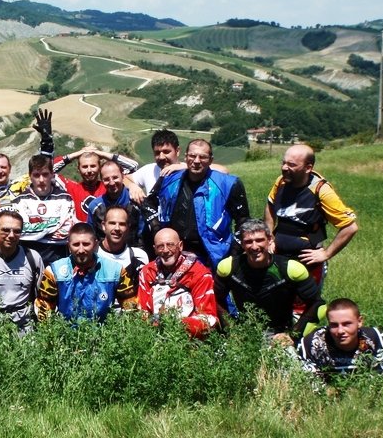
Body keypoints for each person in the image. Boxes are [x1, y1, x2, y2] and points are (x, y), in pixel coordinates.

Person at [143, 139, 249, 270]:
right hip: (174, 253)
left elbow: (243, 221)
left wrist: (234, 255)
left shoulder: (228, 183)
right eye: (192, 156)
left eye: (203, 157)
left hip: (213, 256)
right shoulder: (168, 179)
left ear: (211, 160)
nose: (197, 161)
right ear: (186, 157)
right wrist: (157, 229)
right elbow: (148, 203)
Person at [264, 144, 357, 290]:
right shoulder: (281, 181)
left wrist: (326, 254)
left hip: (306, 262)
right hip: (278, 256)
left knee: (305, 306)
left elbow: (350, 227)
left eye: (291, 165)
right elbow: (270, 205)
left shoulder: (321, 190)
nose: (284, 168)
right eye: (283, 163)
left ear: (308, 168)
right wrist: (269, 238)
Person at [214, 220, 324, 344]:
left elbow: (318, 304)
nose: (254, 247)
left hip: (280, 335)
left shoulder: (290, 269)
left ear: (270, 240)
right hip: (244, 333)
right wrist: (231, 329)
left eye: (260, 240)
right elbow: (216, 299)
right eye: (248, 242)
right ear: (242, 244)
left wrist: (293, 335)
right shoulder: (228, 267)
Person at [35, 223, 137, 323]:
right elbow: (43, 310)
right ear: (68, 246)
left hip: (104, 336)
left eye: (86, 244)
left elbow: (131, 308)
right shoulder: (53, 271)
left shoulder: (116, 270)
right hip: (65, 335)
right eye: (75, 244)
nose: (81, 250)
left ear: (96, 245)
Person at [136, 228, 218, 338]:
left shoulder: (199, 273)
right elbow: (142, 311)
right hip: (154, 337)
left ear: (180, 246)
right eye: (160, 246)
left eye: (170, 245)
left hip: (189, 340)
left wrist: (176, 325)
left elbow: (209, 318)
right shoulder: (147, 272)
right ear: (154, 249)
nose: (165, 250)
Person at [298, 298, 383, 378]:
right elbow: (309, 387)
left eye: (346, 324)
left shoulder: (374, 338)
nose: (340, 331)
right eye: (334, 325)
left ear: (359, 322)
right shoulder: (312, 343)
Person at [11, 154, 76, 265]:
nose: (41, 180)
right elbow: (19, 232)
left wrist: (34, 230)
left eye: (45, 174)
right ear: (30, 176)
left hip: (57, 255)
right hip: (27, 256)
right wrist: (52, 226)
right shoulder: (19, 201)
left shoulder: (65, 199)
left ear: (52, 175)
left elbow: (66, 231)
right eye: (36, 175)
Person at [53, 146, 141, 221]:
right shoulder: (71, 188)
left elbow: (133, 167)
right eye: (84, 166)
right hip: (82, 237)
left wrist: (101, 154)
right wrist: (77, 154)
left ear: (99, 167)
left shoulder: (109, 186)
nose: (89, 170)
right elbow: (49, 170)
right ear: (78, 169)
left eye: (93, 166)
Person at [87, 160, 145, 247]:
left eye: (115, 177)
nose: (111, 183)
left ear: (123, 176)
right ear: (102, 181)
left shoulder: (137, 201)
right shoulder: (95, 206)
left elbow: (143, 235)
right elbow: (90, 236)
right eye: (106, 179)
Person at [97, 205, 148, 288]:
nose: (117, 228)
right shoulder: (93, 254)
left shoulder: (140, 257)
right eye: (112, 223)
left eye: (122, 224)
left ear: (128, 227)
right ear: (103, 225)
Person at [129, 129, 182, 196]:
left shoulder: (187, 173)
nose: (161, 157)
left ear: (177, 151)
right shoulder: (150, 170)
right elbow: (125, 179)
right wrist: (132, 186)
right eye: (157, 153)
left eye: (166, 152)